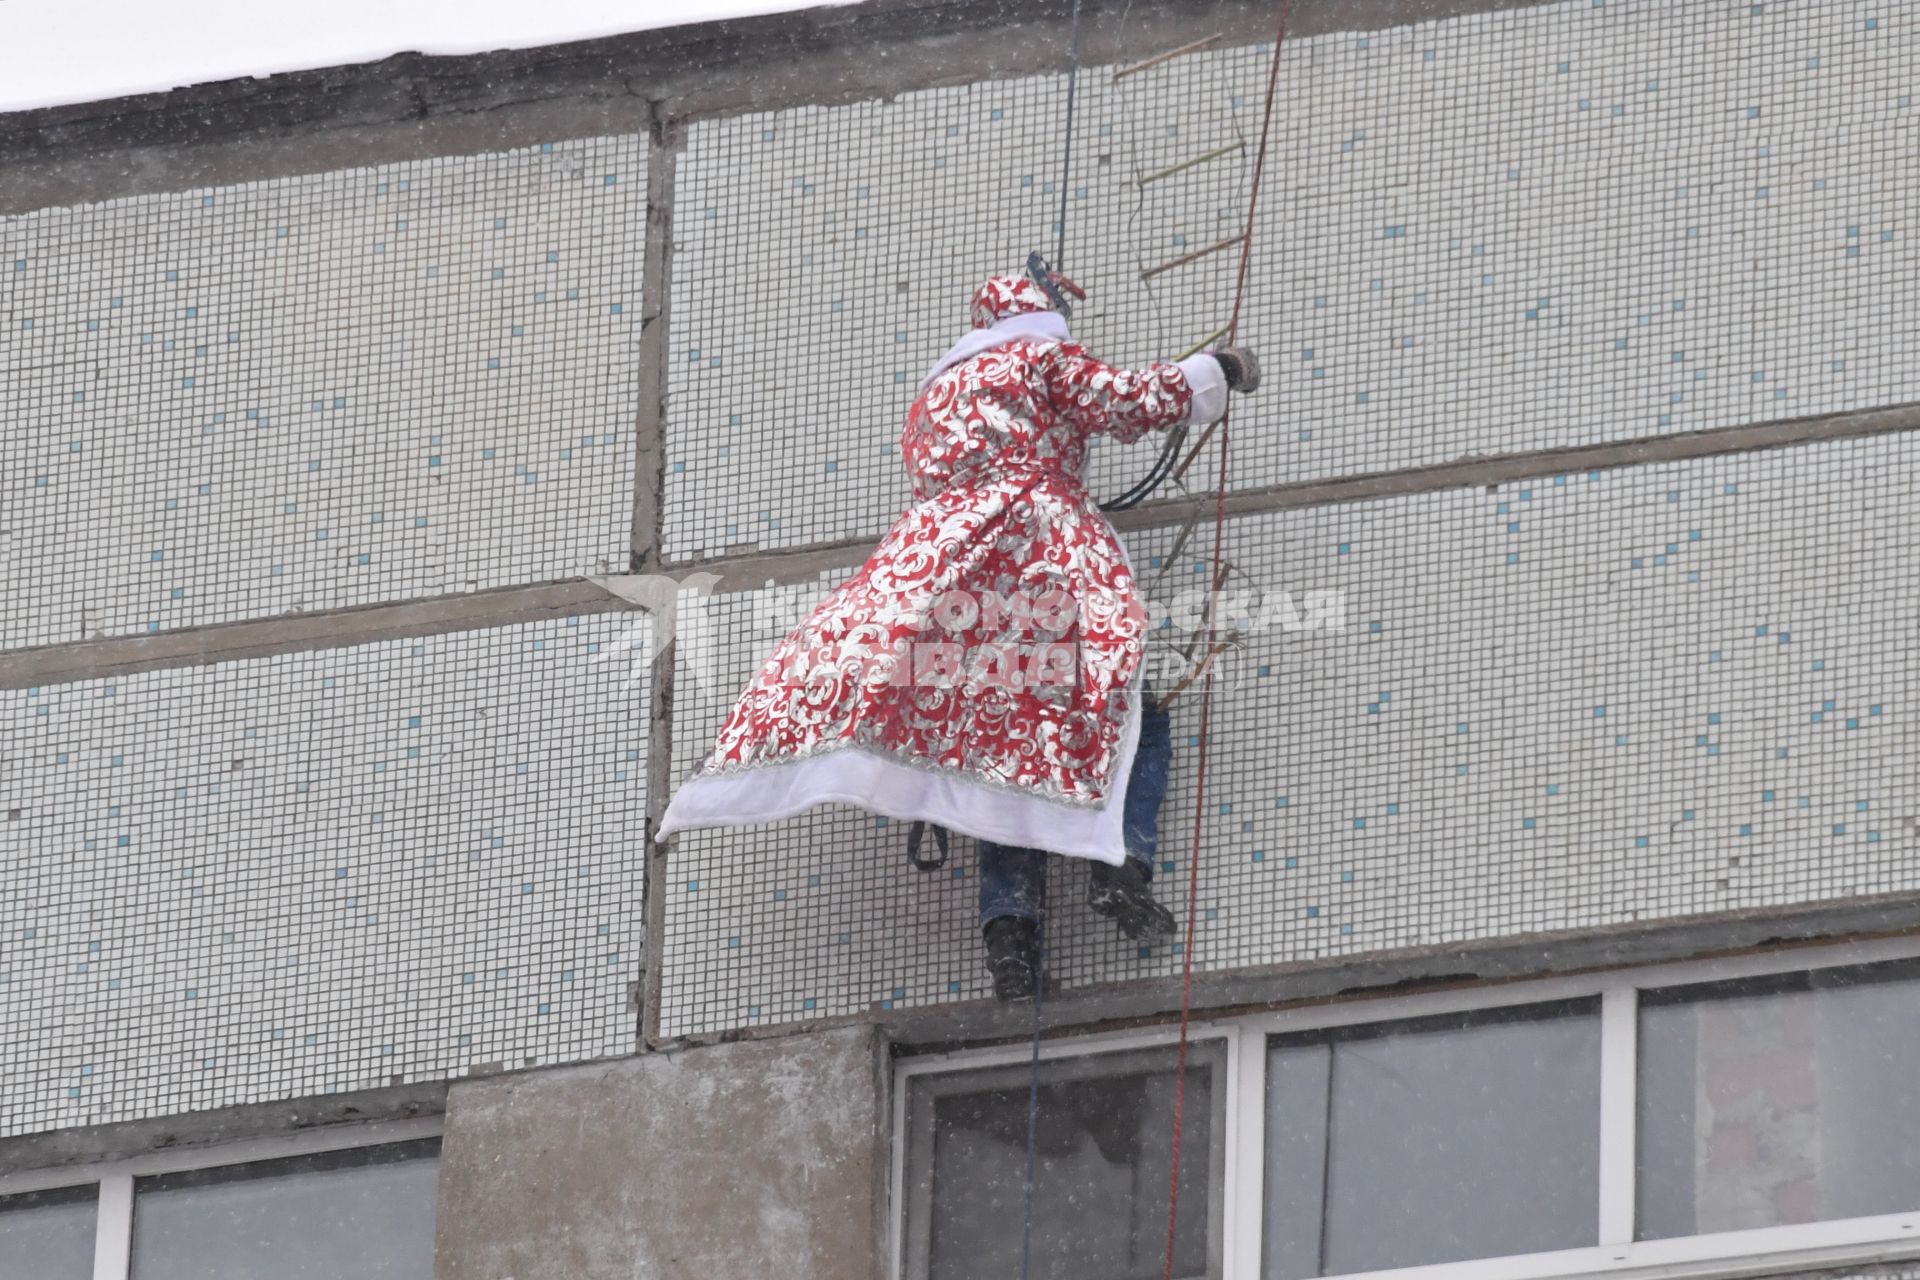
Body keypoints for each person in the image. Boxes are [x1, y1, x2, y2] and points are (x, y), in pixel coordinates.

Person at [658, 264, 1259, 999]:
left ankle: (1010, 933)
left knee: (998, 741)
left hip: (940, 563)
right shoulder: (1041, 356)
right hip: (1034, 549)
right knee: (1125, 704)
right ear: (1044, 316)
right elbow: (1126, 402)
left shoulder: (933, 398)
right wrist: (1215, 372)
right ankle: (1119, 865)